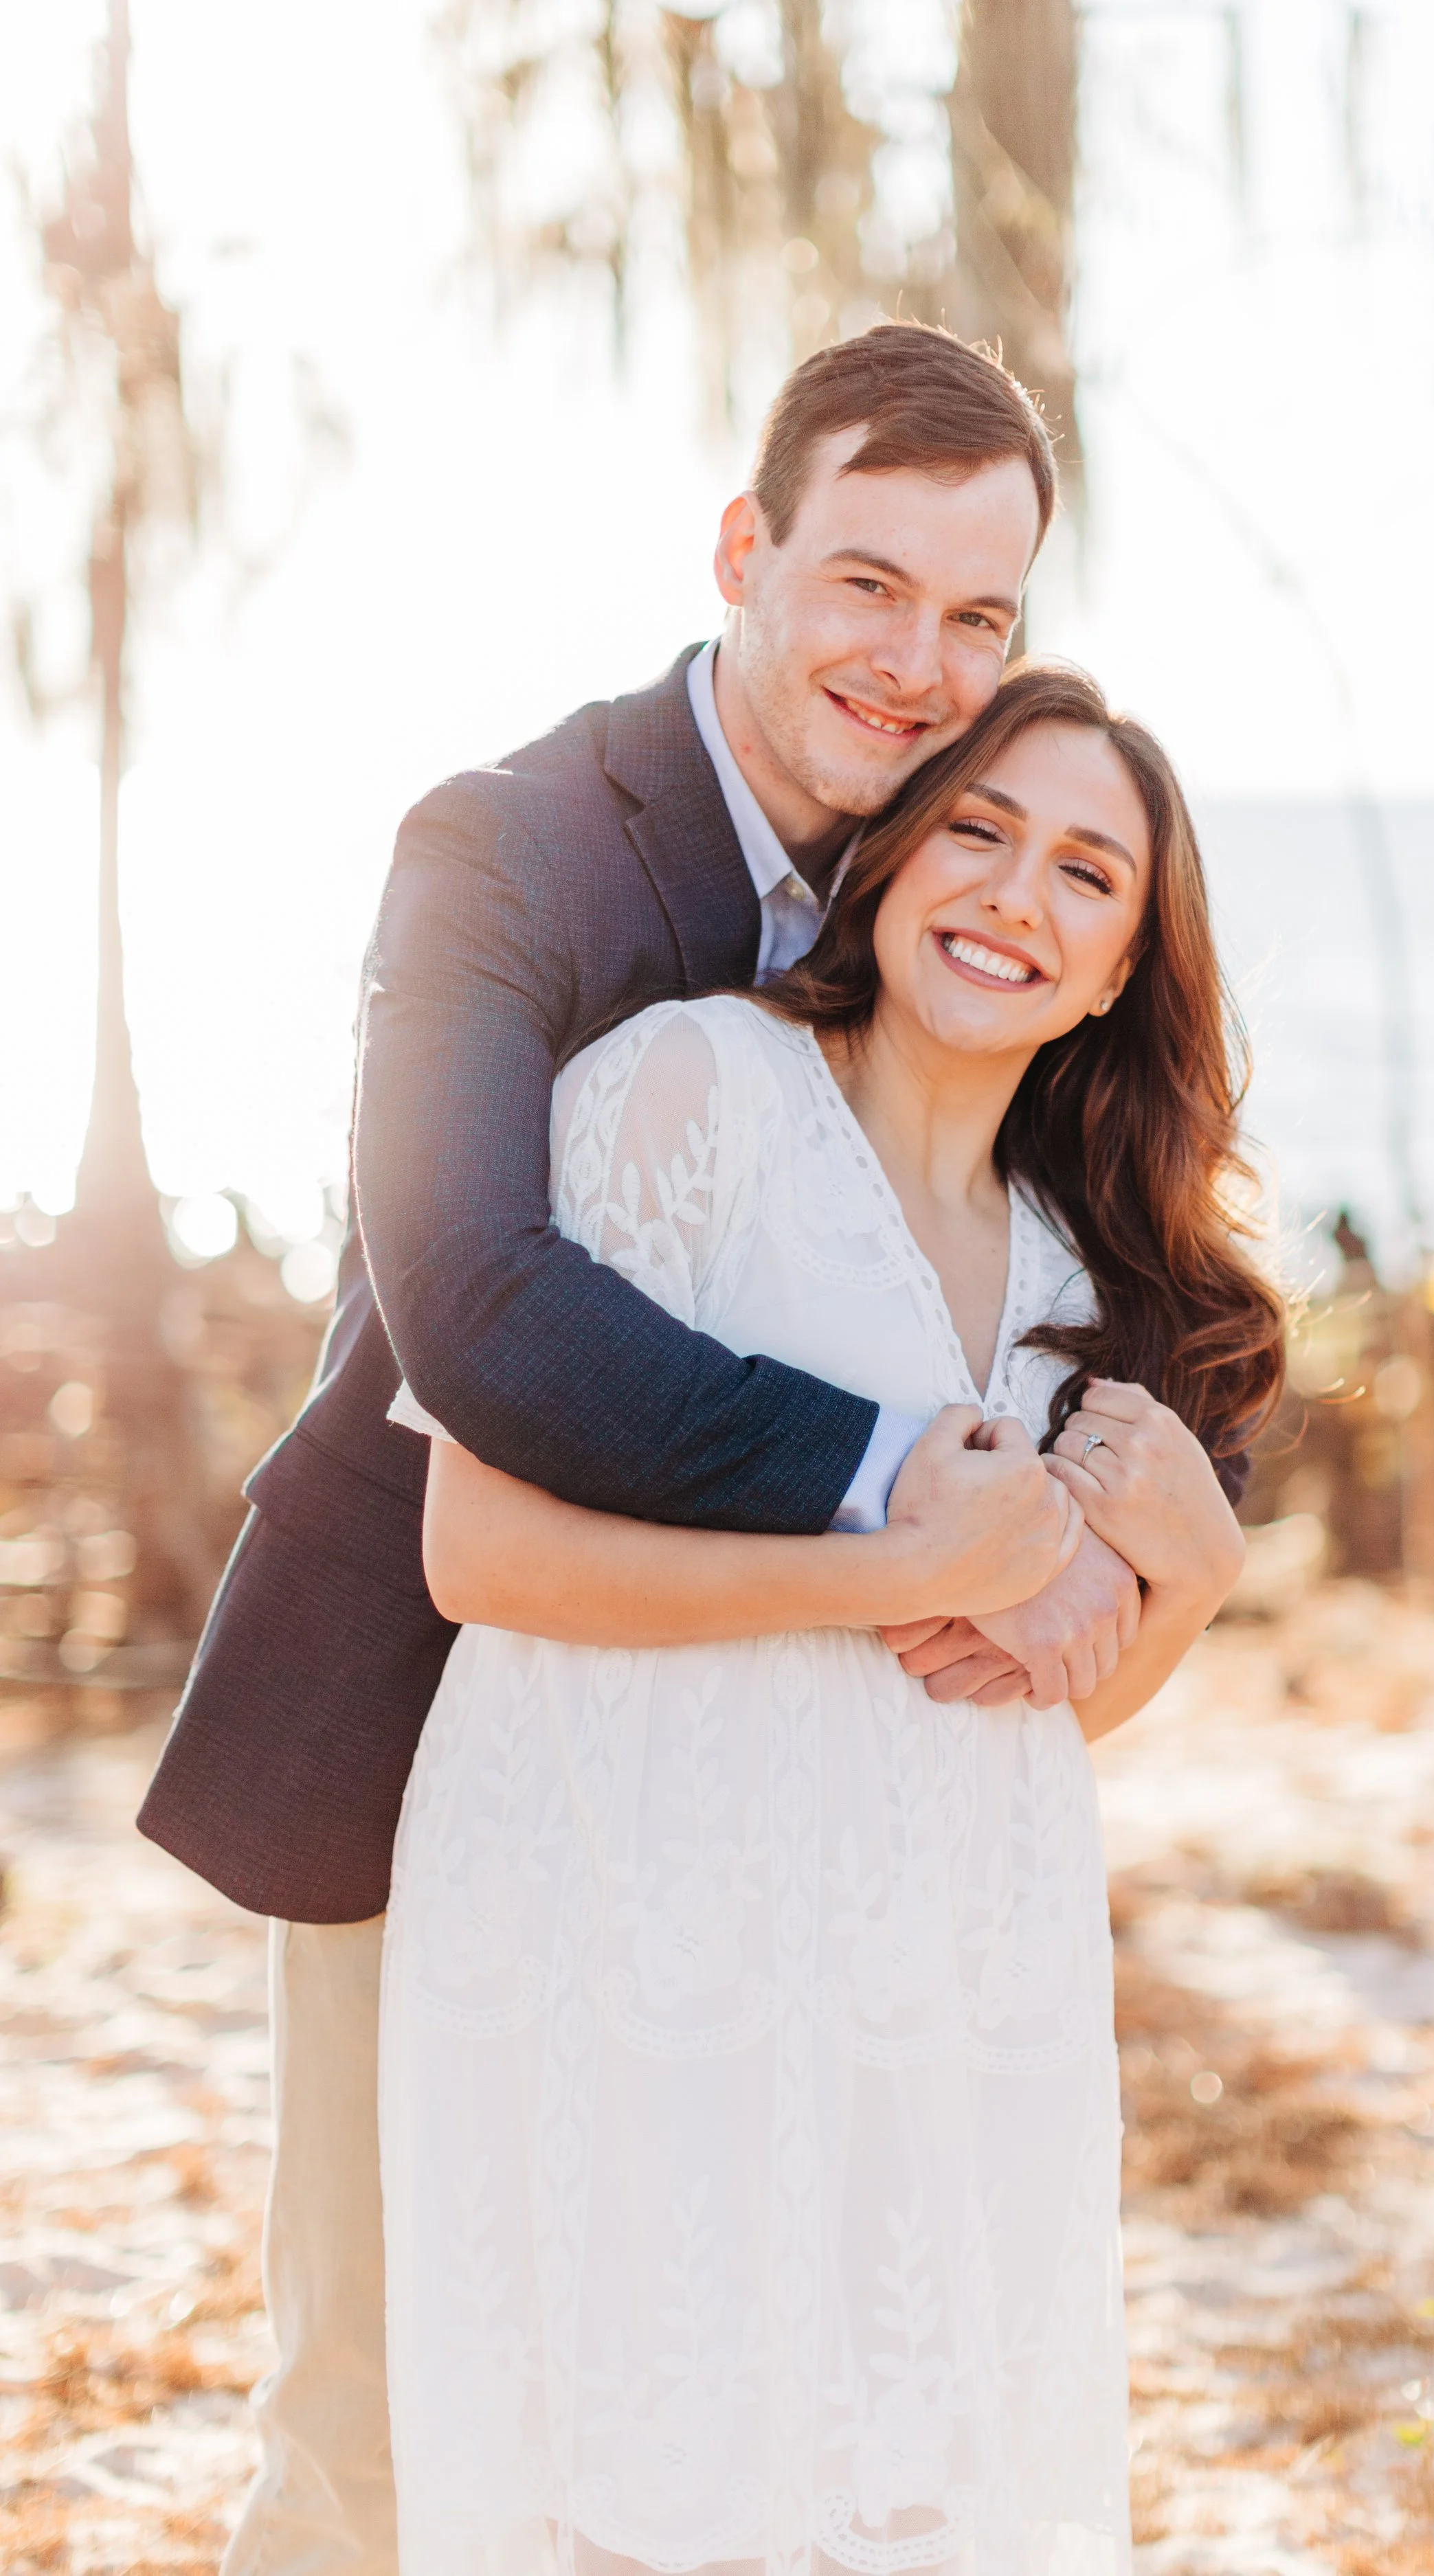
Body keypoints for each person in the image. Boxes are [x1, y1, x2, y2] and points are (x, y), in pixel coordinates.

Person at [139, 326, 1156, 2576]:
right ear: (744, 548)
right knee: (392, 2418)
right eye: (867, 584)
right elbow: (478, 1305)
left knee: (732, 2414)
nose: (915, 662)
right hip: (430, 1718)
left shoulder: (960, 870)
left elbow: (1110, 1256)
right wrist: (920, 1482)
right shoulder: (506, 853)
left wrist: (1167, 1531)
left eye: (977, 617)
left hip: (789, 1816)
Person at [379, 663, 1282, 2572]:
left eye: (1083, 875)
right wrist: (890, 1567)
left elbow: (1010, 1704)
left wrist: (1187, 1579)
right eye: (975, 828)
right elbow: (478, 1550)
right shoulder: (685, 1090)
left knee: (901, 2507)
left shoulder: (1079, 1272)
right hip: (633, 1934)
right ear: (881, 862)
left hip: (931, 1985)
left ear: (1122, 965)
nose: (1013, 895)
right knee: (643, 2499)